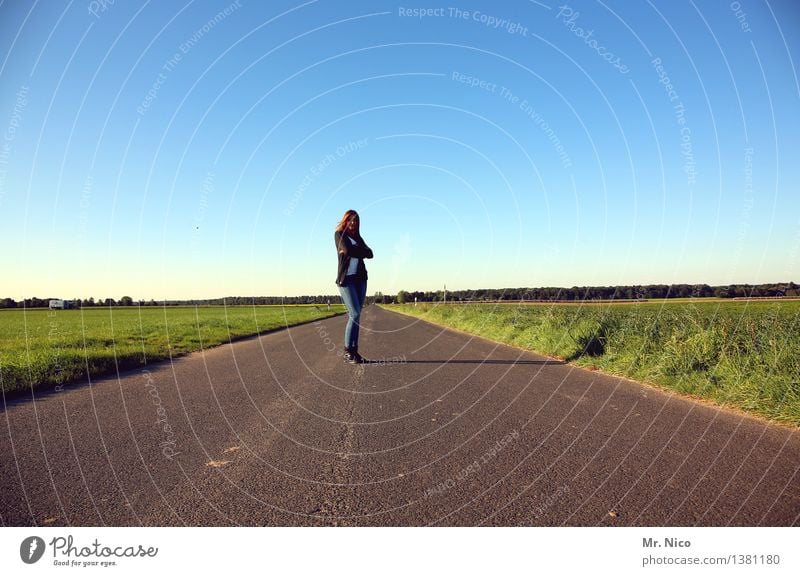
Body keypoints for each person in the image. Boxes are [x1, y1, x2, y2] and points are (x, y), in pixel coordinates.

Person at [334, 210, 373, 364]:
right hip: (346, 280)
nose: (353, 223)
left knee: (357, 317)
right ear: (345, 220)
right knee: (355, 313)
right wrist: (359, 251)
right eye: (350, 220)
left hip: (360, 279)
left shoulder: (358, 237)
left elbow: (370, 254)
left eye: (356, 220)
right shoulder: (339, 235)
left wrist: (357, 251)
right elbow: (348, 250)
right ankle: (347, 351)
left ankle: (355, 352)